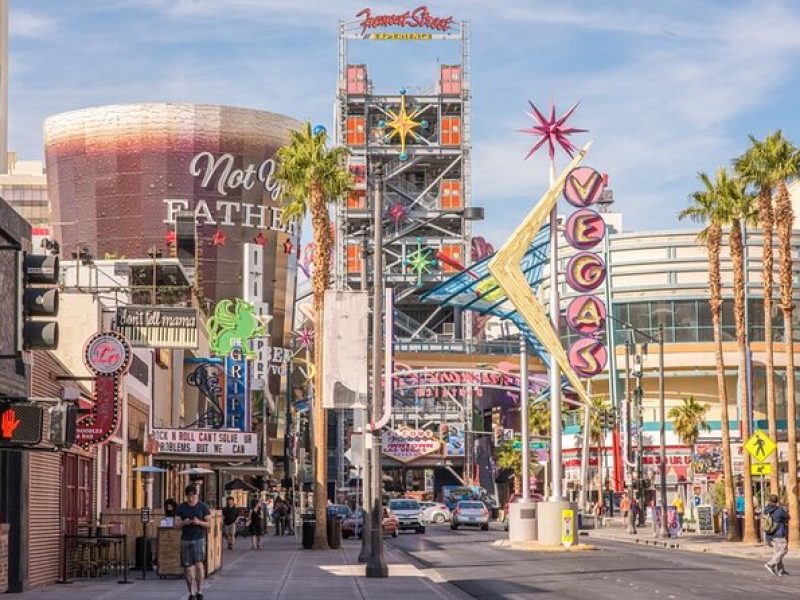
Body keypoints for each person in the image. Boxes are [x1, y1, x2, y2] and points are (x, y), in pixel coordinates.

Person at [175, 484, 211, 600]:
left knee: (199, 566)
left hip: (199, 539)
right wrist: (184, 523)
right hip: (185, 539)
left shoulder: (203, 507)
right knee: (188, 568)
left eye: (193, 496)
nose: (191, 499)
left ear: (197, 495)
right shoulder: (181, 508)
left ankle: (199, 590)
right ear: (186, 496)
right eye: (189, 496)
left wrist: (199, 522)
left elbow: (209, 523)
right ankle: (191, 593)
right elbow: (175, 525)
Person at [763, 494, 790, 576]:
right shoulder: (779, 510)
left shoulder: (766, 509)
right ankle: (770, 564)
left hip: (770, 533)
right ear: (776, 501)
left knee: (777, 552)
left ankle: (780, 569)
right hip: (778, 533)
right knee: (784, 550)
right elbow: (787, 517)